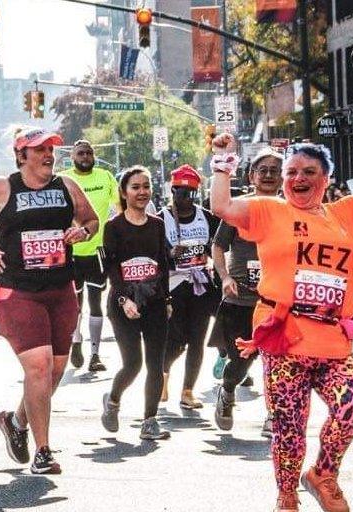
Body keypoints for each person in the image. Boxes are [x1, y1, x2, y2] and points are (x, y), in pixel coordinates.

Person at [209, 112, 353, 512]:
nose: (298, 178)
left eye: (309, 172)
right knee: (288, 425)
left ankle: (323, 475)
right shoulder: (268, 211)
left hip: (333, 341)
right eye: (291, 172)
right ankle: (287, 496)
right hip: (285, 340)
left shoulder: (348, 213)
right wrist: (223, 163)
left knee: (350, 403)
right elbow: (221, 205)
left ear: (326, 179)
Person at [0, 127, 98, 474]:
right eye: (39, 150)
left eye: (51, 148)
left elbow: (92, 220)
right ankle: (44, 451)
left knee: (54, 371)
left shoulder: (66, 186)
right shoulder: (1, 187)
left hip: (60, 288)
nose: (48, 155)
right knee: (38, 366)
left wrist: (83, 231)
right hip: (17, 290)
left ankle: (17, 422)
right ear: (21, 155)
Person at [212, 147, 283, 434]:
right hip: (242, 299)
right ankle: (227, 390)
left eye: (274, 170)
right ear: (252, 175)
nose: (268, 175)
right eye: (262, 170)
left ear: (283, 177)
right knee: (242, 360)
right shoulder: (238, 207)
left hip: (277, 300)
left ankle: (273, 415)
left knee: (278, 361)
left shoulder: (291, 208)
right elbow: (218, 247)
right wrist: (225, 277)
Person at [99, 165, 171, 440]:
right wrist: (123, 299)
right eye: (135, 187)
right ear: (124, 192)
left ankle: (150, 421)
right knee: (133, 364)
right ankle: (113, 399)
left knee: (156, 364)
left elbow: (163, 265)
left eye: (145, 186)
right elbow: (113, 269)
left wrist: (167, 299)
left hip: (153, 304)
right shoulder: (113, 227)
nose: (141, 192)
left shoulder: (157, 225)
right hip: (123, 306)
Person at [160, 164, 220, 409]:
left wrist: (211, 259)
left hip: (199, 286)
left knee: (197, 339)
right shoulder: (160, 219)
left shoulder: (206, 217)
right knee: (176, 341)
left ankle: (187, 391)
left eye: (190, 194)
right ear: (172, 191)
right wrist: (171, 253)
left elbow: (218, 247)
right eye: (180, 193)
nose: (185, 198)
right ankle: (162, 375)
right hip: (173, 286)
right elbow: (156, 253)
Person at [59, 140, 119, 372]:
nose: (86, 156)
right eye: (81, 153)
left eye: (89, 153)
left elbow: (121, 205)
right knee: (75, 304)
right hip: (71, 251)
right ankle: (76, 342)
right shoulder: (62, 179)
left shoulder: (105, 177)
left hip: (98, 250)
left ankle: (95, 354)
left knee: (96, 302)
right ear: (72, 157)